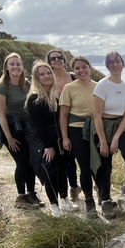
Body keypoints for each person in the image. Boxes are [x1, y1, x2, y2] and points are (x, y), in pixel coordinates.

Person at [91, 51, 125, 219]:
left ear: (123, 63)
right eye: (110, 62)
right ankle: (105, 199)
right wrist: (104, 141)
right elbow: (97, 116)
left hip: (121, 124)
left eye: (117, 61)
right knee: (104, 163)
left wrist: (115, 139)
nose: (114, 64)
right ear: (107, 66)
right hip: (103, 125)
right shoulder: (102, 85)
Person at [25, 61, 76, 217]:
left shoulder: (57, 95)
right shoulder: (34, 98)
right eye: (42, 74)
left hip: (59, 137)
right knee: (50, 171)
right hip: (43, 139)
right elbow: (38, 125)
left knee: (63, 169)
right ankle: (54, 204)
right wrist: (48, 146)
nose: (46, 76)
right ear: (36, 78)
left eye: (48, 73)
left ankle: (65, 199)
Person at [0, 52, 41, 209]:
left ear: (22, 67)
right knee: (22, 162)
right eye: (12, 64)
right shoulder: (2, 86)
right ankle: (21, 197)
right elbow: (1, 114)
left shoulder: (27, 83)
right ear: (6, 67)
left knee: (32, 162)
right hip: (10, 126)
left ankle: (31, 194)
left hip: (27, 126)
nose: (15, 67)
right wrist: (9, 137)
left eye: (18, 64)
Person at [59, 56, 97, 218]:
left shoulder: (98, 86)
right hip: (76, 130)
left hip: (95, 130)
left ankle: (104, 196)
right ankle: (89, 201)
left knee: (100, 164)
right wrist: (65, 137)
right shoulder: (69, 88)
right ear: (73, 71)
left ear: (90, 68)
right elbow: (63, 115)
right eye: (77, 68)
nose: (81, 71)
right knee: (85, 166)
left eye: (84, 67)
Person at [46, 49, 81, 202]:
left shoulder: (73, 78)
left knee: (74, 157)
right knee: (64, 160)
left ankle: (74, 187)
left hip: (74, 122)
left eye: (59, 57)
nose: (57, 60)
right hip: (55, 125)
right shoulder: (47, 80)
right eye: (53, 58)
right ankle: (68, 191)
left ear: (64, 60)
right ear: (49, 63)